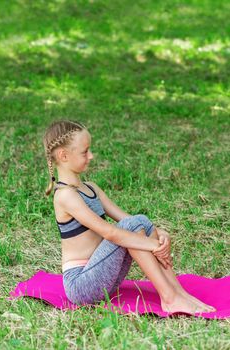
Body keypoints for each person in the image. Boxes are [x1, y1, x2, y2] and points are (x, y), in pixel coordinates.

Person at [42, 119, 216, 314]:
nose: (91, 156)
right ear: (63, 156)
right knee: (131, 225)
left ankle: (178, 292)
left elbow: (128, 219)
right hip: (82, 285)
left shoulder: (91, 188)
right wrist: (153, 245)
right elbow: (110, 233)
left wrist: (160, 234)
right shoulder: (65, 195)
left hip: (104, 273)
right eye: (85, 151)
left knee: (140, 220)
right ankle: (169, 298)